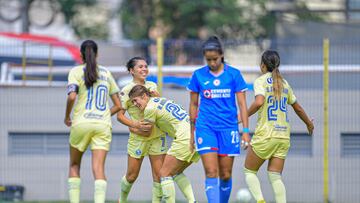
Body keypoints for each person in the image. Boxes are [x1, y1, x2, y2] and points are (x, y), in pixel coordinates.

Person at [243, 50, 314, 203]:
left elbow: (259, 102)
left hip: (266, 135)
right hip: (283, 137)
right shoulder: (284, 83)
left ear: (262, 65)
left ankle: (260, 201)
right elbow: (298, 108)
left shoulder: (260, 81)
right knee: (275, 176)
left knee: (249, 171)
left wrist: (242, 117)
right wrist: (308, 123)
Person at [187, 36, 250, 203]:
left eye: (214, 59)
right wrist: (191, 133)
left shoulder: (234, 74)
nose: (212, 63)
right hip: (205, 128)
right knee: (211, 172)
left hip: (228, 129)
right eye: (208, 60)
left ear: (221, 55)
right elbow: (193, 105)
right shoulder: (198, 75)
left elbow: (243, 105)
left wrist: (245, 131)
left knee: (225, 174)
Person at [64, 40, 121, 203]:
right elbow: (119, 105)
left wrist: (67, 116)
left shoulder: (75, 71)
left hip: (81, 123)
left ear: (81, 54)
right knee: (99, 169)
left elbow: (72, 96)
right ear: (97, 54)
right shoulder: (106, 73)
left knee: (74, 165)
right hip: (102, 125)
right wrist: (102, 114)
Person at [128, 84, 200, 203]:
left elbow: (147, 132)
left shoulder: (149, 108)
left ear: (144, 96)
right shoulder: (161, 99)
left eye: (135, 100)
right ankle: (192, 201)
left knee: (164, 174)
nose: (135, 105)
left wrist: (132, 127)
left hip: (185, 137)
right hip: (197, 135)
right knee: (176, 173)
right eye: (132, 102)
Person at [116, 56, 167, 203]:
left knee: (158, 176)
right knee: (131, 176)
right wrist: (135, 125)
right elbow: (120, 116)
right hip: (138, 137)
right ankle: (122, 199)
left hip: (157, 136)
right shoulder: (126, 91)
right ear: (132, 71)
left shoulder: (152, 85)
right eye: (140, 67)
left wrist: (157, 97)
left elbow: (159, 106)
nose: (144, 69)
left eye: (145, 66)